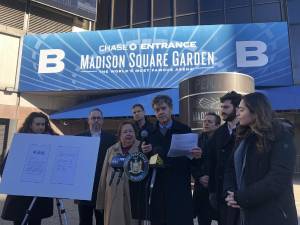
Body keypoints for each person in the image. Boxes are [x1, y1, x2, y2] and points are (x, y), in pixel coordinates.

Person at [224, 92, 298, 225]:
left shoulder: (281, 136)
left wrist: (241, 197)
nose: (237, 114)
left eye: (241, 110)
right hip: (245, 213)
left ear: (256, 111)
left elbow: (277, 179)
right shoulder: (243, 136)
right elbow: (230, 168)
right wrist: (230, 193)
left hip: (273, 215)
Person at [140, 95, 202, 225]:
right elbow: (144, 163)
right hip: (158, 187)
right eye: (157, 110)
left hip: (179, 185)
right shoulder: (149, 133)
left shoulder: (184, 129)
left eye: (163, 108)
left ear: (171, 109)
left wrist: (196, 156)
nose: (160, 112)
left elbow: (192, 160)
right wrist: (144, 152)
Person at [0, 112, 56, 225]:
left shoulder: (53, 143)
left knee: (36, 221)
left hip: (39, 195)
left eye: (43, 124)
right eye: (38, 124)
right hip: (20, 195)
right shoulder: (20, 143)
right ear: (30, 125)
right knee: (19, 221)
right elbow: (6, 168)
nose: (41, 127)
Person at [75, 108, 116, 225]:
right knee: (84, 220)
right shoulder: (79, 138)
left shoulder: (111, 139)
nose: (96, 120)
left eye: (98, 118)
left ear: (102, 121)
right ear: (88, 120)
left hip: (102, 186)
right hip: (83, 187)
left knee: (102, 220)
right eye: (93, 118)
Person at [208, 91, 242, 225]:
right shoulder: (218, 133)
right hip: (221, 193)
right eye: (221, 107)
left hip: (241, 193)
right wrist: (212, 191)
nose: (222, 111)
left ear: (237, 108)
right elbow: (212, 164)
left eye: (226, 107)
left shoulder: (249, 130)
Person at [96, 121, 139, 225]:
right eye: (125, 132)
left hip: (134, 198)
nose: (128, 134)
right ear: (119, 135)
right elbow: (103, 177)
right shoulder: (111, 150)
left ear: (135, 134)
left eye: (131, 131)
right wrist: (100, 202)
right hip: (113, 198)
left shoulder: (142, 148)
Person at [192, 112, 221, 225]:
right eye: (205, 121)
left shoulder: (222, 141)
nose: (206, 123)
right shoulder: (196, 140)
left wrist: (211, 177)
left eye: (210, 122)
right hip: (201, 188)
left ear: (217, 125)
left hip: (217, 187)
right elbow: (191, 163)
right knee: (203, 219)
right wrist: (199, 177)